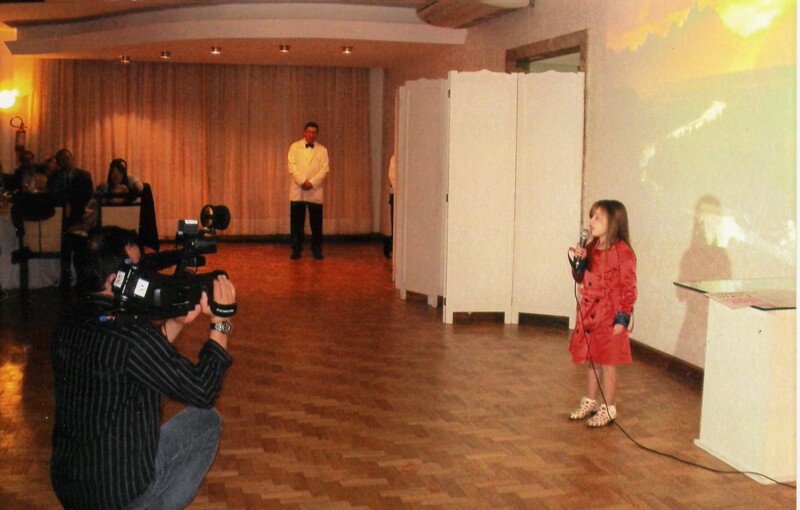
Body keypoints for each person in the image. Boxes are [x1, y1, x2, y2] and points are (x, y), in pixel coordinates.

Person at [50, 225, 235, 509]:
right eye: (137, 269)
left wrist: (175, 323)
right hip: (118, 493)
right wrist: (221, 321)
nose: (144, 276)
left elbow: (129, 359)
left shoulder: (67, 320)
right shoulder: (131, 334)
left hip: (71, 485)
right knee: (206, 420)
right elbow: (203, 389)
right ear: (114, 280)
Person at [567, 199, 637, 427]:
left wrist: (622, 316)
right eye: (591, 216)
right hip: (590, 312)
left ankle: (608, 407)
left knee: (608, 361)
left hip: (609, 314)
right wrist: (578, 263)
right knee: (592, 358)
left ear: (613, 222)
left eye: (598, 218)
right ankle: (590, 400)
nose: (591, 222)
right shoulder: (591, 247)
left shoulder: (623, 252)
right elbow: (579, 277)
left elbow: (629, 287)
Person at [288, 121, 329, 259]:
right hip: (298, 190)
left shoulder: (323, 150)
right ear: (304, 132)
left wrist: (311, 183)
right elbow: (292, 167)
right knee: (296, 223)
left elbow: (324, 169)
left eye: (314, 132)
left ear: (317, 134)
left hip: (315, 191)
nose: (311, 135)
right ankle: (296, 249)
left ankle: (316, 249)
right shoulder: (294, 147)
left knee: (316, 224)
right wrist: (302, 181)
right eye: (309, 132)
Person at [384, 153, 396, 259]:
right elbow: (392, 177)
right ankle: (389, 246)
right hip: (396, 194)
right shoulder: (394, 158)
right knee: (395, 225)